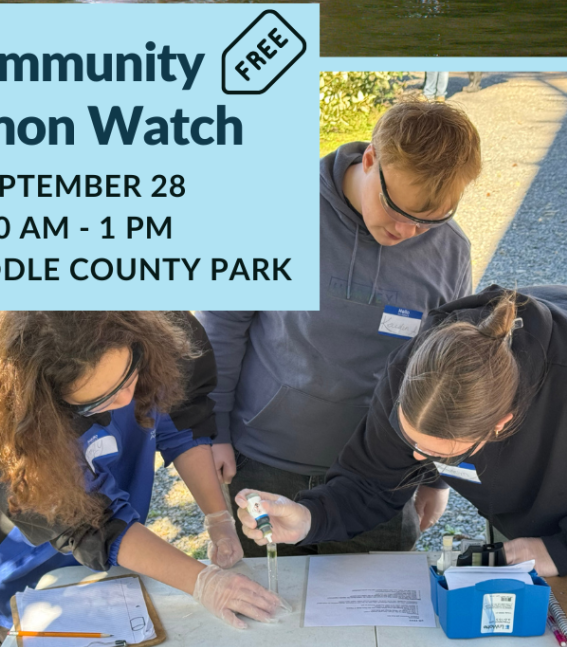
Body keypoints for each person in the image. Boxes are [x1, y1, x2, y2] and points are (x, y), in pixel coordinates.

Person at [199, 100, 482, 558]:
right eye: (396, 208)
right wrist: (213, 431)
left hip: (380, 479)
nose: (408, 230)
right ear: (370, 159)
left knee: (375, 624)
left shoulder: (450, 251)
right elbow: (223, 327)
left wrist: (434, 475)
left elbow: (440, 369)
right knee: (265, 612)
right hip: (265, 463)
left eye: (429, 220)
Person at [0, 311, 283, 647]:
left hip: (122, 564)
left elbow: (179, 419)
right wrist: (202, 582)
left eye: (128, 378)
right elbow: (90, 527)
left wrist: (218, 518)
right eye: (96, 402)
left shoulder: (148, 330)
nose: (124, 401)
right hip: (20, 581)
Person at [236, 287, 567, 578]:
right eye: (410, 439)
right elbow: (372, 481)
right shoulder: (416, 370)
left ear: (501, 424)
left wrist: (561, 550)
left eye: (442, 455)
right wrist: (308, 518)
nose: (419, 460)